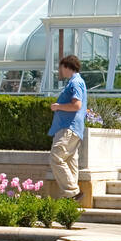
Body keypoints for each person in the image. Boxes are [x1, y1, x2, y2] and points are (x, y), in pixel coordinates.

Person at [48, 54, 87, 199]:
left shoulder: (75, 82)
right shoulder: (77, 81)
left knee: (56, 157)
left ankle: (73, 192)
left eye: (61, 68)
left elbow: (77, 105)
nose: (60, 71)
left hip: (68, 128)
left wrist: (58, 106)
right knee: (70, 161)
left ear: (66, 67)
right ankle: (70, 200)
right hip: (74, 129)